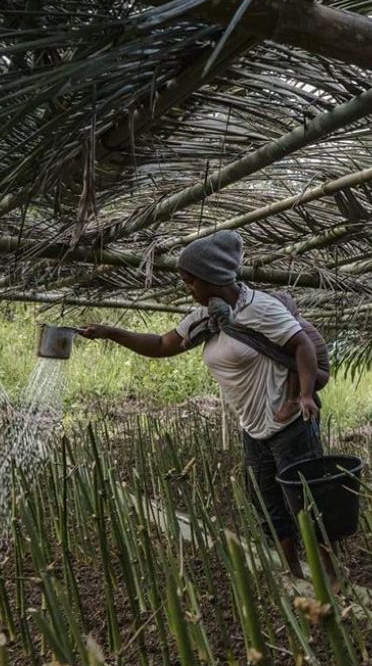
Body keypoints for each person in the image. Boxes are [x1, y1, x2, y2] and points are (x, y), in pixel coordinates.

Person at [81, 230, 333, 580]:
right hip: (253, 427)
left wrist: (304, 394)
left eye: (190, 280)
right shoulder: (206, 318)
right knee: (269, 504)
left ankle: (330, 576)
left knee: (305, 502)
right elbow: (161, 345)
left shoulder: (259, 307)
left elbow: (303, 345)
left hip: (289, 424)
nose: (188, 288)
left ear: (213, 278)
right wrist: (112, 332)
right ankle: (293, 574)